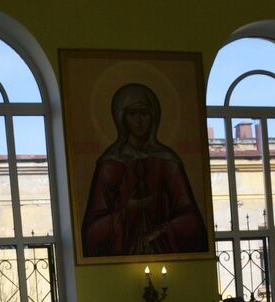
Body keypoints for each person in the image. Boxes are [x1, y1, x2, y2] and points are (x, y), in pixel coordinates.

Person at [80, 83, 209, 258]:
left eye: (144, 113)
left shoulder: (167, 162)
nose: (139, 121)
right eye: (132, 114)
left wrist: (161, 230)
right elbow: (91, 232)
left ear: (153, 117)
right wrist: (126, 212)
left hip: (164, 252)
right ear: (122, 118)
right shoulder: (110, 165)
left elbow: (192, 219)